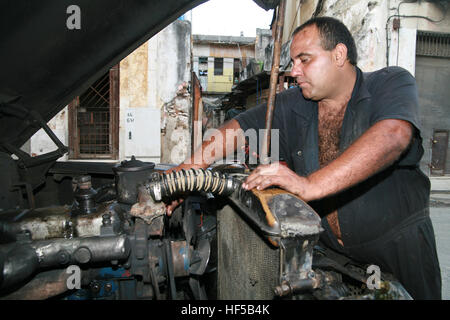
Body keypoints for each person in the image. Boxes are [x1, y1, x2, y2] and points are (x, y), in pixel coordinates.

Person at [167, 17, 441, 299]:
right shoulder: (294, 104)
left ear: (339, 54)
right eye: (293, 61)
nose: (294, 70)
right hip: (332, 259)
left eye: (304, 60)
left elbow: (393, 136)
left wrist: (308, 185)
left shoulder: (390, 83)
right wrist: (187, 171)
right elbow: (237, 130)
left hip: (399, 254)